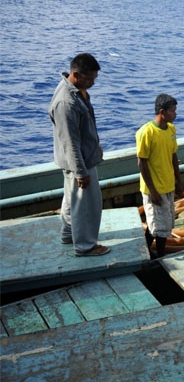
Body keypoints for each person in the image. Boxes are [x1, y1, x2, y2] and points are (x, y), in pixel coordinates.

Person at [48, 53, 110, 257]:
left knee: (71, 200)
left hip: (79, 160)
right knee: (86, 206)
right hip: (79, 163)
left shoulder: (77, 91)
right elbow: (70, 142)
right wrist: (81, 172)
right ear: (76, 74)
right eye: (90, 78)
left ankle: (68, 234)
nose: (93, 83)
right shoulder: (67, 103)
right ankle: (85, 246)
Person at [136, 94, 183, 258]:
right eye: (172, 111)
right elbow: (142, 163)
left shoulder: (171, 129)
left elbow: (173, 156)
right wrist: (152, 191)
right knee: (160, 229)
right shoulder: (146, 132)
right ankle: (161, 257)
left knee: (162, 223)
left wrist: (178, 180)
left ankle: (145, 251)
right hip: (154, 189)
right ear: (162, 112)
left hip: (168, 185)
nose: (175, 114)